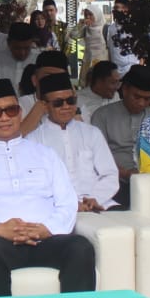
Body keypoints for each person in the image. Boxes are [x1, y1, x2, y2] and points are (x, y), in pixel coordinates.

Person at [0, 79, 96, 297]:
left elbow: (67, 202)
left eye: (11, 110)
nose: (5, 117)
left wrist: (47, 228)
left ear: (20, 112)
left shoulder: (46, 154)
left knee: (80, 247)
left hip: (46, 238)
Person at [27, 74, 118, 211]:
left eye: (70, 101)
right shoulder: (33, 140)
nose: (66, 107)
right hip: (57, 208)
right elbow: (36, 185)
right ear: (45, 106)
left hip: (99, 203)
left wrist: (95, 198)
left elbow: (110, 174)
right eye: (58, 103)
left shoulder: (92, 133)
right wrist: (70, 203)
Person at [90, 64, 150, 208]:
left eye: (147, 99)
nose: (141, 103)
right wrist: (126, 174)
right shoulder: (103, 116)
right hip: (115, 182)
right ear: (125, 90)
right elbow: (97, 158)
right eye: (137, 97)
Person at [104, 0, 138, 72]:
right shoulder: (111, 28)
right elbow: (110, 49)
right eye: (114, 8)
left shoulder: (135, 27)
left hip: (133, 69)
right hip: (117, 70)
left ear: (125, 9)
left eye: (117, 8)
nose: (115, 10)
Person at [79, 7, 107, 73]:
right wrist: (80, 25)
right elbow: (73, 35)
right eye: (86, 15)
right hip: (88, 61)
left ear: (97, 15)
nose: (88, 17)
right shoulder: (85, 29)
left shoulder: (105, 28)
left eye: (90, 14)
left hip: (102, 61)